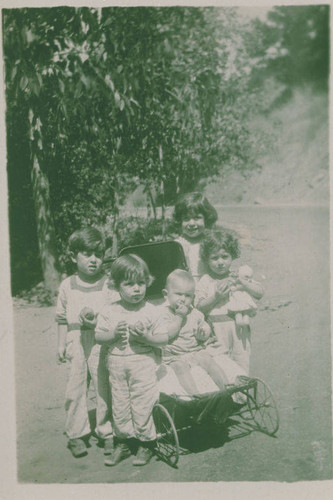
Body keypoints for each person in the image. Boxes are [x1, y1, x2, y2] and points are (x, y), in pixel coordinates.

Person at [95, 254, 169, 467]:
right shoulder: (110, 311)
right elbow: (99, 336)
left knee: (142, 403)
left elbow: (163, 339)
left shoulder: (152, 311)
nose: (137, 289)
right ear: (116, 286)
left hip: (143, 364)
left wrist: (146, 338)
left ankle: (147, 443)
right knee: (120, 404)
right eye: (129, 284)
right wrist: (113, 335)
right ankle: (124, 442)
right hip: (117, 364)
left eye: (141, 283)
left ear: (148, 282)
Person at [56, 227, 115, 458]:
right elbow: (61, 318)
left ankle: (106, 431)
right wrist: (60, 344)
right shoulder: (66, 285)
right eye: (87, 254)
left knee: (103, 385)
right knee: (75, 387)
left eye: (98, 254)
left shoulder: (108, 284)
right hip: (75, 339)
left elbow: (115, 314)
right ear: (73, 257)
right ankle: (76, 434)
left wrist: (97, 319)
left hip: (100, 339)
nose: (93, 259)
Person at [196, 230, 264, 375]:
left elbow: (259, 292)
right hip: (216, 329)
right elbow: (199, 307)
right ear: (206, 260)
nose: (220, 262)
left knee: (241, 363)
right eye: (214, 258)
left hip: (239, 329)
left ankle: (241, 397)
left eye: (225, 256)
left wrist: (243, 283)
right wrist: (216, 297)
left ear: (232, 256)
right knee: (221, 365)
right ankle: (228, 397)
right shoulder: (206, 280)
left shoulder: (237, 276)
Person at [158, 269, 228, 395]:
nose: (183, 299)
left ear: (193, 297)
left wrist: (203, 334)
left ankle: (226, 388)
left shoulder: (195, 313)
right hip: (174, 354)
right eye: (178, 294)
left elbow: (204, 328)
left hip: (194, 350)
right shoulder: (163, 314)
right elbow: (168, 334)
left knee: (207, 360)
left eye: (188, 295)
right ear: (166, 294)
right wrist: (179, 316)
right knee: (180, 368)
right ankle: (195, 395)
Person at [173, 192, 218, 281]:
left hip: (208, 286)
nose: (191, 223)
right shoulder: (177, 244)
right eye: (186, 219)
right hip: (186, 286)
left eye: (197, 218)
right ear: (180, 221)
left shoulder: (211, 241)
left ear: (206, 219)